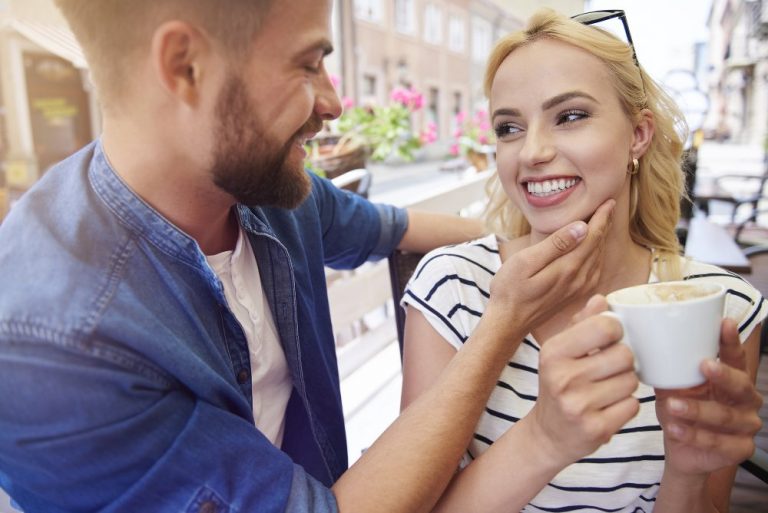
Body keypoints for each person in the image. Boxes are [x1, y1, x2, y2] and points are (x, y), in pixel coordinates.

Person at [0, 2, 617, 512]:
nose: (334, 104)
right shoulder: (49, 347)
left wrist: (536, 229)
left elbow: (392, 227)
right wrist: (501, 324)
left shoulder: (263, 190)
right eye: (309, 64)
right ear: (185, 66)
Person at [401, 9, 765, 513]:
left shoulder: (722, 307)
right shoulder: (452, 288)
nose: (531, 152)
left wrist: (687, 472)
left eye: (570, 116)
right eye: (509, 127)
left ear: (638, 134)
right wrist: (544, 439)